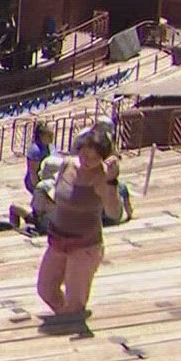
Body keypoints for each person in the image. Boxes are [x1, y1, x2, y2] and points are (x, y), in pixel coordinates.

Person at [36, 127, 124, 324]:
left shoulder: (103, 177)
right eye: (84, 154)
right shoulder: (67, 164)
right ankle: (66, 318)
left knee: (75, 302)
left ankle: (71, 324)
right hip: (58, 239)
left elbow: (114, 213)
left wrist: (111, 182)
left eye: (93, 158)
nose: (86, 161)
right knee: (46, 288)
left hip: (85, 245)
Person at [24, 122, 55, 195]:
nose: (52, 138)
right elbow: (33, 172)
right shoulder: (35, 150)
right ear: (41, 136)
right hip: (35, 182)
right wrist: (38, 188)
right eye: (49, 136)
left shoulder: (48, 147)